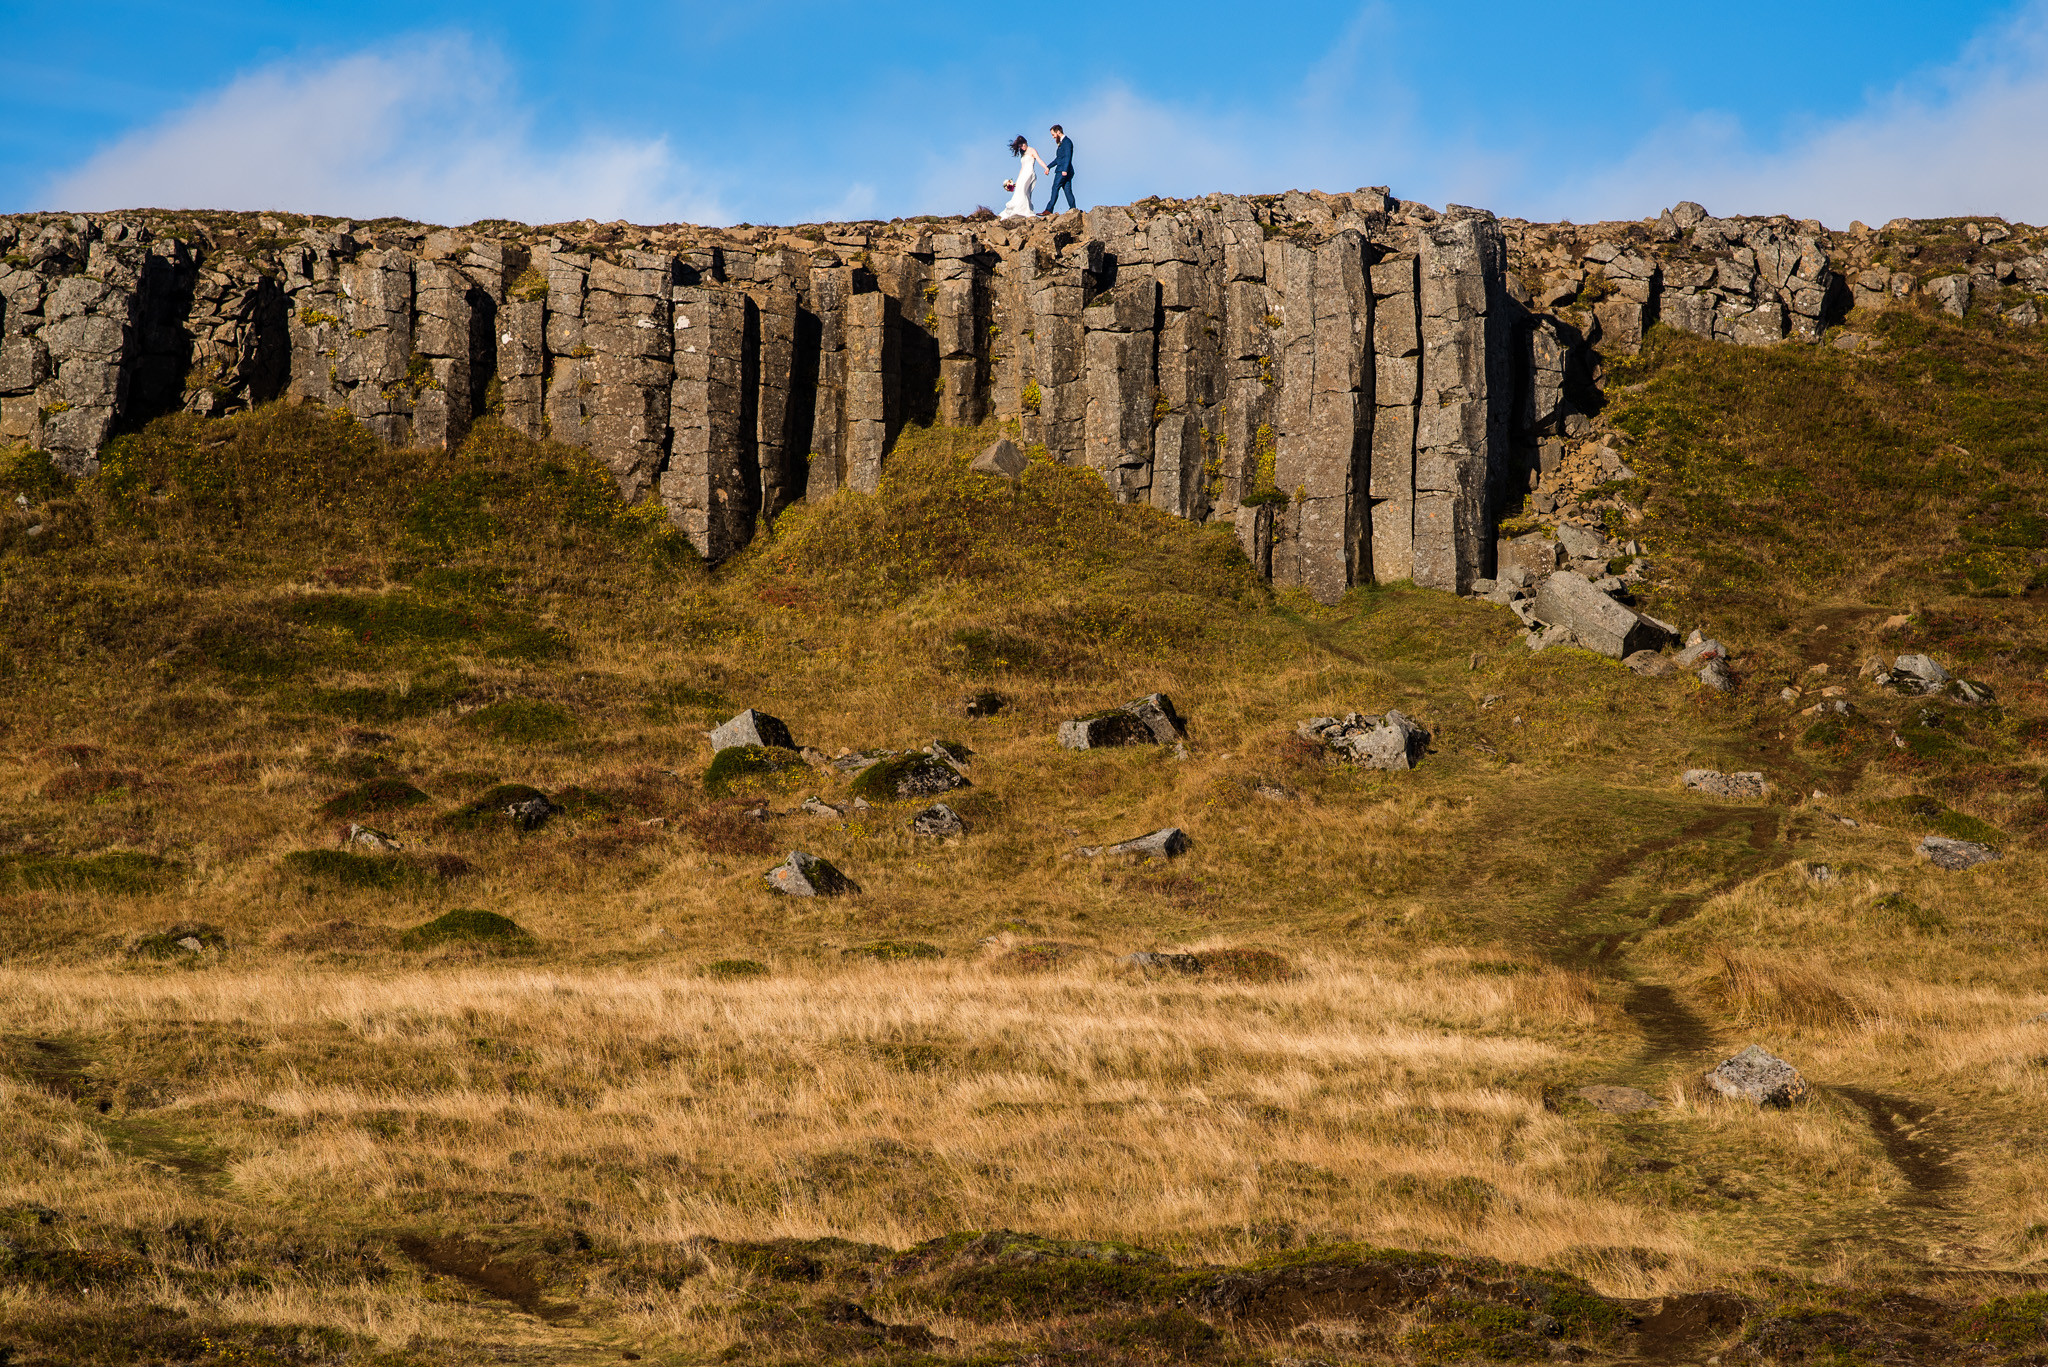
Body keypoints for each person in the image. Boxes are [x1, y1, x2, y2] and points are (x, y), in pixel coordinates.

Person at [998, 134, 1046, 219]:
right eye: (1020, 146)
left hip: (1029, 173)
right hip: (1023, 174)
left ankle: (1025, 211)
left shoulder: (1032, 150)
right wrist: (1017, 180)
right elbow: (1022, 167)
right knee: (1019, 191)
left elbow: (1038, 159)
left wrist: (1045, 167)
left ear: (1026, 142)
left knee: (1024, 191)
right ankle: (1018, 210)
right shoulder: (1023, 153)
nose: (1022, 148)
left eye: (1022, 145)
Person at [1039, 124, 1075, 215]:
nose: (1053, 137)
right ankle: (1073, 208)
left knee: (1055, 187)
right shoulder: (1062, 143)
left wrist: (1065, 170)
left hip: (1063, 171)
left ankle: (1048, 210)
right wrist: (1048, 167)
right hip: (1064, 170)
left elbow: (1068, 157)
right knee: (1067, 190)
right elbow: (1058, 159)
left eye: (1053, 134)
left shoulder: (1067, 142)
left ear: (1058, 132)